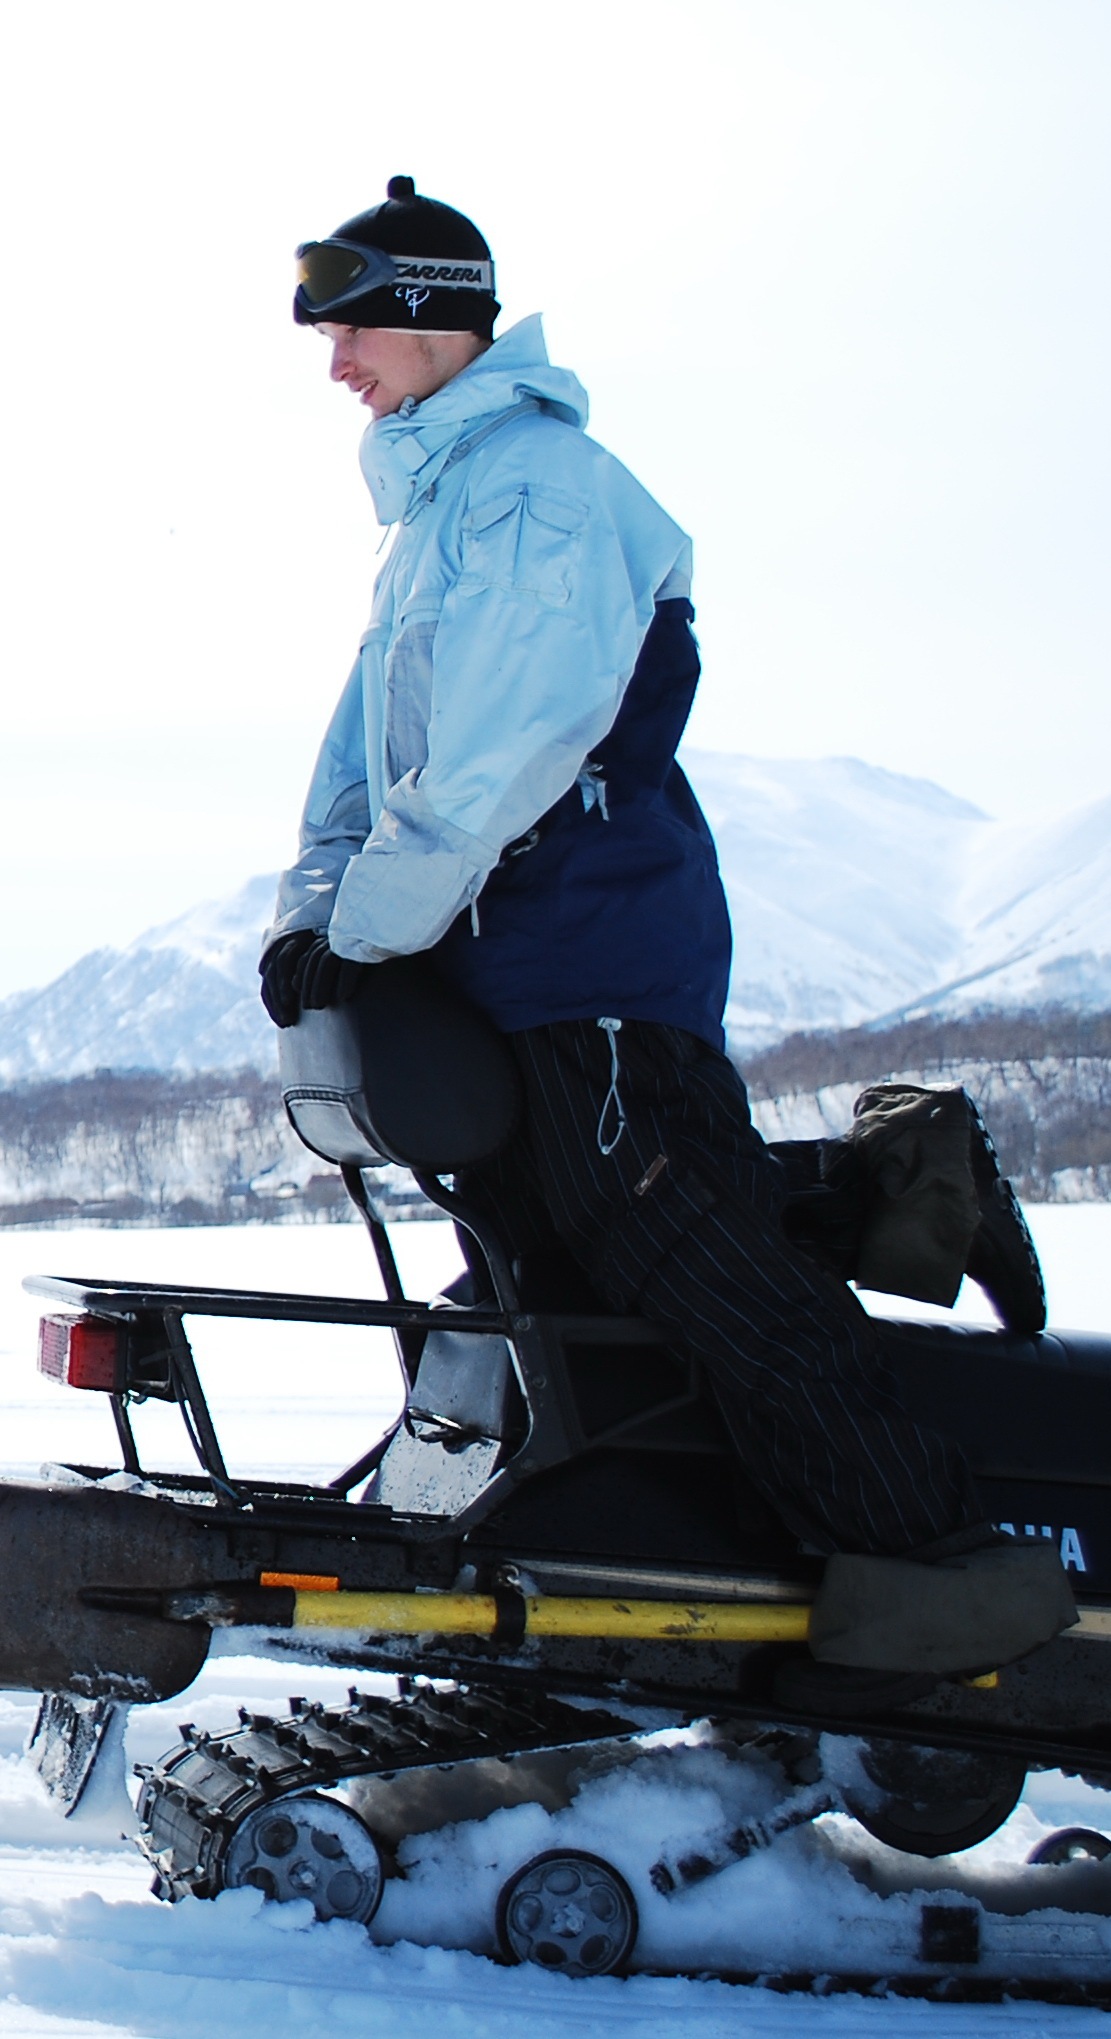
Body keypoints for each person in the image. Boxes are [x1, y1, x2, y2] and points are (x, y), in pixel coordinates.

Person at [261, 176, 1073, 1711]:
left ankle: (941, 1575)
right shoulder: (443, 513)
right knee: (567, 1270)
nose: (337, 365)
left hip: (587, 952)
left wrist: (367, 928)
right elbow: (358, 761)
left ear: (433, 317)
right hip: (489, 959)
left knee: (694, 1263)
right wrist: (321, 918)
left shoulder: (540, 494)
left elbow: (504, 748)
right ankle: (889, 1200)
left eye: (353, 328)